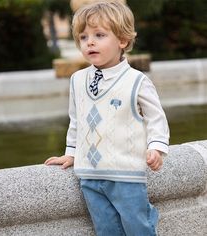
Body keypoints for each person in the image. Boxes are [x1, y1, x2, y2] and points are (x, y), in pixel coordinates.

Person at [45, 1, 169, 235]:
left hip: (126, 174)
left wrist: (156, 147)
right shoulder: (77, 80)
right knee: (106, 230)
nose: (89, 42)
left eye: (99, 35)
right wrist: (71, 153)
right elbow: (77, 121)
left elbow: (156, 119)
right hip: (89, 175)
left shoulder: (136, 81)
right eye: (83, 37)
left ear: (122, 41)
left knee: (138, 227)